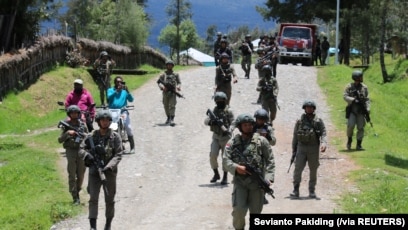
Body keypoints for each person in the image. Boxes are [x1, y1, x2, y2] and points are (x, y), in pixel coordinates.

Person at [223, 113, 275, 230]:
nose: (248, 127)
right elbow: (225, 160)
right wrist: (236, 167)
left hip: (257, 185)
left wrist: (269, 178)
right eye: (245, 125)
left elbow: (270, 160)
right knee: (239, 211)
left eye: (250, 125)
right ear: (240, 127)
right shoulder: (232, 142)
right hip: (240, 183)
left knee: (256, 214)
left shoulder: (261, 141)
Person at [79, 109, 123, 230]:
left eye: (107, 120)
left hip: (109, 173)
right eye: (102, 120)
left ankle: (108, 223)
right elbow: (81, 149)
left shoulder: (115, 137)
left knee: (109, 199)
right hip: (94, 172)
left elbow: (118, 154)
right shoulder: (91, 136)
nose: (104, 122)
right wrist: (88, 156)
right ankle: (93, 226)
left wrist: (108, 167)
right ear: (98, 121)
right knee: (93, 198)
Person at [290, 100, 327, 198]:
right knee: (298, 168)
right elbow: (295, 135)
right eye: (307, 107)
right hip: (301, 147)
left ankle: (312, 190)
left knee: (313, 169)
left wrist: (324, 143)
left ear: (314, 109)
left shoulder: (318, 121)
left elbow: (323, 133)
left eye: (311, 107)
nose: (309, 109)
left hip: (313, 147)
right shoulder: (299, 121)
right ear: (304, 109)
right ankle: (296, 189)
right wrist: (294, 149)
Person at [58, 105, 88, 205]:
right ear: (69, 114)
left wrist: (82, 135)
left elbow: (88, 136)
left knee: (81, 174)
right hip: (70, 151)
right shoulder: (66, 125)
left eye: (76, 113)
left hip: (81, 150)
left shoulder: (82, 125)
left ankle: (77, 190)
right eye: (72, 113)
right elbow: (60, 140)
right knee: (72, 174)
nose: (74, 115)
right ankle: (75, 196)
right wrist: (68, 133)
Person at [204, 92, 234, 185]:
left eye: (221, 101)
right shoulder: (214, 111)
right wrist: (211, 122)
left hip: (226, 138)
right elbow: (206, 121)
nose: (219, 103)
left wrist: (229, 129)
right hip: (216, 137)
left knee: (225, 157)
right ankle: (216, 174)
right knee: (213, 155)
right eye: (218, 101)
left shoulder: (229, 111)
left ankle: (225, 176)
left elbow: (233, 122)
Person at [253, 108, 276, 205]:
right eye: (259, 119)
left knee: (263, 176)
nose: (260, 121)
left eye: (262, 119)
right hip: (253, 152)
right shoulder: (251, 126)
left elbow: (274, 142)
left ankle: (262, 196)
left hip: (264, 154)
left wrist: (268, 136)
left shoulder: (268, 128)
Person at [107, 76, 135, 154]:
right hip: (113, 111)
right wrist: (116, 91)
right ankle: (115, 146)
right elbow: (109, 97)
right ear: (115, 83)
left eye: (121, 82)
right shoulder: (110, 90)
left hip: (123, 111)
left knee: (127, 126)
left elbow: (131, 99)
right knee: (113, 128)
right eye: (117, 82)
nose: (119, 83)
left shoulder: (124, 91)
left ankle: (132, 146)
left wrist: (128, 91)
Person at [343, 70, 370, 150]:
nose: (362, 78)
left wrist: (368, 109)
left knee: (361, 127)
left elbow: (367, 99)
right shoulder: (349, 87)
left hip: (361, 111)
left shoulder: (364, 87)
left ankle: (359, 144)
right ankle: (349, 139)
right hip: (352, 110)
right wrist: (353, 100)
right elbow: (345, 96)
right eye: (361, 77)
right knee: (350, 125)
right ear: (357, 78)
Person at [157, 60, 182, 126]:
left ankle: (172, 119)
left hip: (173, 92)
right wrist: (162, 88)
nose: (169, 66)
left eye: (171, 65)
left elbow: (179, 82)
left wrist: (178, 87)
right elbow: (159, 82)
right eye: (168, 65)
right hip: (165, 92)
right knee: (165, 105)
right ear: (166, 66)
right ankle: (168, 117)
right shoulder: (163, 74)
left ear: (173, 66)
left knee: (172, 105)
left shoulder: (176, 74)